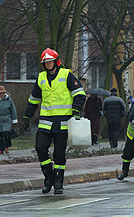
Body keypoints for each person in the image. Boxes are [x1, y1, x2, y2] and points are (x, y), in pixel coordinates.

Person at [22, 48, 86, 194]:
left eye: (50, 61)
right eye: (45, 62)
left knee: (59, 154)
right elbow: (33, 100)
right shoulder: (41, 78)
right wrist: (27, 116)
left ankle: (58, 183)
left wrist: (76, 109)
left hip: (63, 122)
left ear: (56, 61)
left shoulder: (66, 74)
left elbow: (80, 93)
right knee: (40, 148)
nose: (48, 64)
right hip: (45, 121)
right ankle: (48, 178)